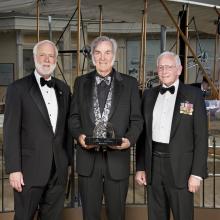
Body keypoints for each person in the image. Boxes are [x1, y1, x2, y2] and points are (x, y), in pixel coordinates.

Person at [68, 36, 143, 220]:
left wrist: (129, 140)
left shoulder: (130, 84)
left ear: (114, 55)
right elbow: (73, 117)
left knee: (117, 214)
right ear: (92, 56)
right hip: (88, 160)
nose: (103, 57)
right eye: (98, 52)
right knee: (90, 215)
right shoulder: (80, 82)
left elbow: (137, 120)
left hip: (117, 159)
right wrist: (79, 137)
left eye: (107, 52)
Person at [3, 40, 72, 220]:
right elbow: (10, 132)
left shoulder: (64, 89)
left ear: (56, 60)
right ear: (35, 58)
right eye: (42, 55)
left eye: (51, 56)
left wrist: (68, 163)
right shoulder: (17, 89)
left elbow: (66, 129)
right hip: (28, 171)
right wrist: (14, 169)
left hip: (58, 170)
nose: (47, 60)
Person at [135, 51, 208, 220]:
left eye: (169, 67)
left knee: (183, 215)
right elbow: (142, 135)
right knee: (156, 214)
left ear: (179, 70)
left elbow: (201, 137)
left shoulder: (193, 95)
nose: (164, 71)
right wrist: (140, 167)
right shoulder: (148, 95)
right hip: (153, 164)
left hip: (181, 168)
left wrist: (196, 174)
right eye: (161, 67)